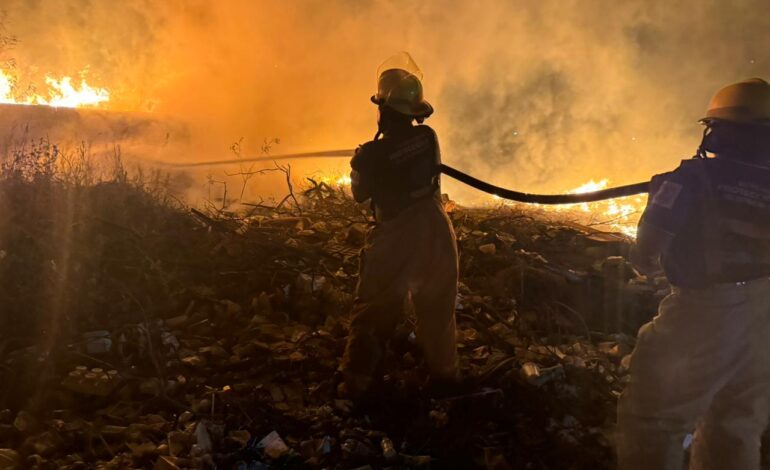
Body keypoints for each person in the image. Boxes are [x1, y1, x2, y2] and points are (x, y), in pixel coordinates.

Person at [617, 78, 770, 469]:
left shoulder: (689, 179)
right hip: (764, 316)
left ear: (717, 131)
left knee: (652, 420)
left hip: (705, 314)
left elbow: (646, 254)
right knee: (736, 426)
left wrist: (648, 256)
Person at [338, 52, 459, 397]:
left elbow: (359, 195)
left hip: (397, 235)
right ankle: (447, 377)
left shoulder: (370, 155)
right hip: (437, 229)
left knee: (375, 305)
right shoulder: (428, 136)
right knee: (438, 309)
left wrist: (358, 162)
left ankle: (357, 383)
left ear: (383, 109)